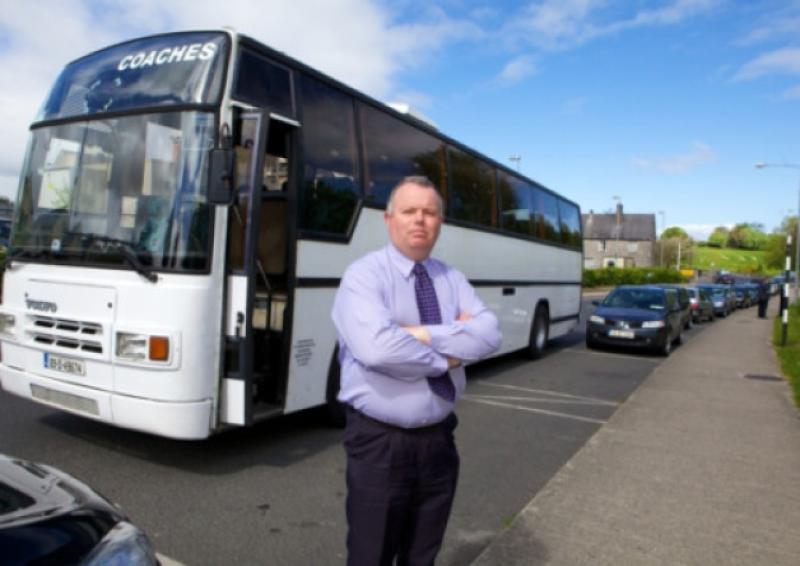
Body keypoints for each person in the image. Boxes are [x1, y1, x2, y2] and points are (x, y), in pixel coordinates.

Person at [331, 176, 501, 566]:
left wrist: (420, 334)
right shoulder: (364, 276)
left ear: (440, 222)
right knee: (370, 555)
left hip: (439, 441)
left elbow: (489, 333)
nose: (420, 220)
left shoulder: (451, 278)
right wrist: (449, 355)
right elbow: (377, 349)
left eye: (430, 212)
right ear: (389, 220)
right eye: (409, 211)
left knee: (423, 554)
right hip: (379, 444)